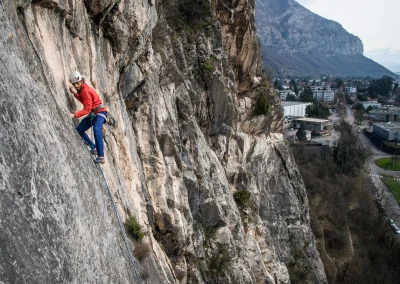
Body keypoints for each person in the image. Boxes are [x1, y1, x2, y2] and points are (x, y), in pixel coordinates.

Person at [68, 71, 108, 164]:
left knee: (97, 128)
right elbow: (85, 101)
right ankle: (93, 147)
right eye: (74, 84)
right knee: (80, 129)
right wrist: (75, 93)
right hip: (94, 113)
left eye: (78, 83)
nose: (76, 85)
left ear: (81, 81)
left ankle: (101, 156)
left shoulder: (85, 90)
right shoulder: (82, 89)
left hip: (101, 111)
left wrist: (75, 115)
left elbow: (87, 108)